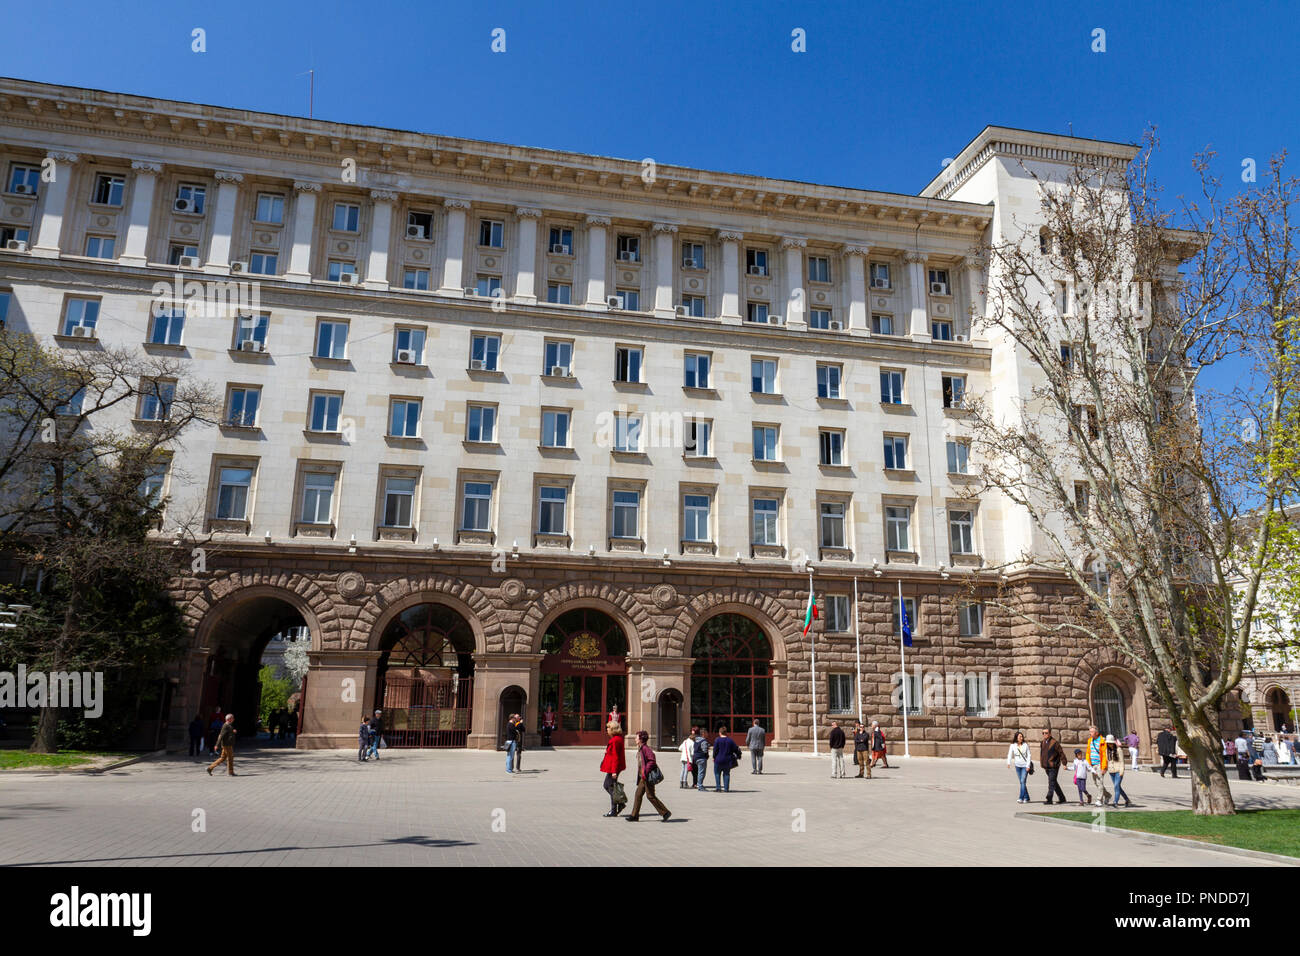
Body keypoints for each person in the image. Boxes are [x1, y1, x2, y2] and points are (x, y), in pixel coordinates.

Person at [626, 730, 671, 822]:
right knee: (638, 794)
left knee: (650, 796)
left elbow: (652, 760)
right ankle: (634, 815)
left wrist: (645, 771)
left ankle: (665, 812)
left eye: (636, 737)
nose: (635, 738)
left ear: (641, 739)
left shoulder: (646, 749)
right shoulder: (640, 748)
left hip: (647, 776)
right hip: (643, 777)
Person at [599, 721, 627, 816]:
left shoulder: (615, 740)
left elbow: (615, 757)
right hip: (615, 767)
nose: (607, 729)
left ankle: (616, 807)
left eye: (608, 728)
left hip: (614, 768)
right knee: (611, 786)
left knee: (608, 786)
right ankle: (618, 805)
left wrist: (614, 771)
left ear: (613, 730)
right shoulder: (618, 739)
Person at [1085, 725, 1111, 806]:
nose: (1090, 733)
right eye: (1090, 732)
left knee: (1100, 782)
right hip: (1092, 765)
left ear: (1096, 733)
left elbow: (1104, 755)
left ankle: (1099, 800)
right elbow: (1088, 753)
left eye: (1091, 732)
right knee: (1096, 782)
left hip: (1099, 765)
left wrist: (1104, 767)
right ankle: (1108, 795)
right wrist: (1088, 764)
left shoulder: (1102, 741)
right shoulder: (1090, 740)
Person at [1040, 729, 1067, 805]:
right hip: (1046, 766)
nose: (1044, 734)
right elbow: (1042, 753)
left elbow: (1061, 753)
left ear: (1050, 734)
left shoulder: (1054, 743)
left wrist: (1064, 763)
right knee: (1054, 782)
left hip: (1053, 766)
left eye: (1046, 733)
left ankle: (1049, 799)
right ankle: (1062, 798)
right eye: (1043, 733)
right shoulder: (1042, 742)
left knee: (1051, 782)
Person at [711, 725, 741, 792]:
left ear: (720, 732)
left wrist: (713, 757)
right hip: (727, 760)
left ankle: (718, 788)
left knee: (717, 773)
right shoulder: (730, 740)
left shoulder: (717, 740)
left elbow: (715, 750)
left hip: (718, 760)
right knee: (726, 774)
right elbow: (735, 749)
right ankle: (726, 788)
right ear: (726, 732)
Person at [1106, 735, 1132, 807]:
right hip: (1111, 771)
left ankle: (1115, 802)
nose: (1109, 744)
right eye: (1108, 743)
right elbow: (1107, 760)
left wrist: (1121, 771)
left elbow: (1122, 761)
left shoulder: (1119, 750)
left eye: (1111, 743)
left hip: (1118, 771)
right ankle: (1127, 799)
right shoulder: (1107, 751)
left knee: (1116, 786)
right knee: (1118, 787)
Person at [1007, 731, 1032, 803]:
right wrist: (1008, 762)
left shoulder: (1025, 745)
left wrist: (1028, 765)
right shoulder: (1013, 745)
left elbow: (1029, 755)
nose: (1021, 738)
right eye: (1020, 736)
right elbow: (1009, 754)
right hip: (1017, 766)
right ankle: (1027, 797)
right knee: (1022, 782)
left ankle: (1021, 798)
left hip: (1025, 766)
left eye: (1022, 736)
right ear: (1016, 738)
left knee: (1022, 781)